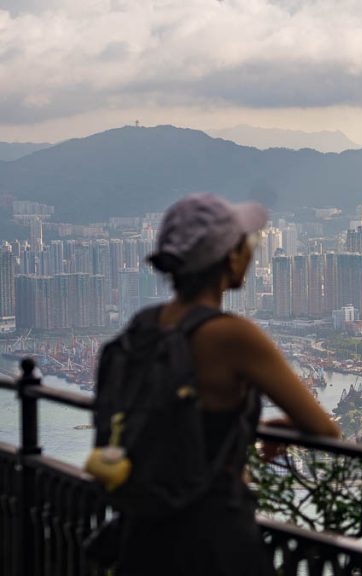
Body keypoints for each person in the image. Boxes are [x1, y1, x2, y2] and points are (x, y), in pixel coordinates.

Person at [117, 192, 340, 575]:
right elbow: (325, 429)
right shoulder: (233, 336)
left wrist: (244, 428)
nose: (251, 252)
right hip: (213, 537)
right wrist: (275, 427)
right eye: (246, 244)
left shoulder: (145, 326)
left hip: (144, 532)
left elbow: (181, 420)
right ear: (228, 259)